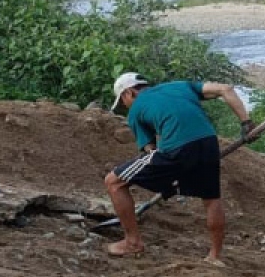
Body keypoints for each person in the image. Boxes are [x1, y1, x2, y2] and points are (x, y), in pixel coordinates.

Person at [104, 72, 254, 264]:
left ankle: (132, 242)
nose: (125, 107)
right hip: (208, 143)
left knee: (114, 182)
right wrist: (246, 123)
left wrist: (167, 179)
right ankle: (214, 256)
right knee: (211, 198)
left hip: (177, 148)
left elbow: (150, 151)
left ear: (129, 93)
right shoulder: (179, 86)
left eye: (123, 102)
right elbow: (225, 89)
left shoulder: (135, 111)